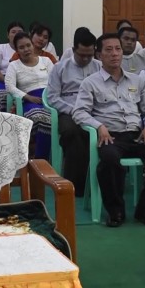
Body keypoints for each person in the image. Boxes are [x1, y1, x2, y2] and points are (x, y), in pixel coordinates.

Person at [73, 33, 145, 227]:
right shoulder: (90, 83)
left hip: (137, 135)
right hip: (110, 136)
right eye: (108, 50)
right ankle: (115, 211)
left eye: (118, 49)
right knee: (109, 161)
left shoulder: (137, 80)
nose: (115, 54)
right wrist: (98, 126)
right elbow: (79, 112)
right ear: (99, 55)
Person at [47, 28, 102, 196]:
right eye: (81, 55)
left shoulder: (100, 67)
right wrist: (75, 110)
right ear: (73, 49)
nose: (85, 59)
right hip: (69, 111)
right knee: (73, 133)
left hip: (95, 111)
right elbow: (52, 98)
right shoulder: (60, 68)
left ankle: (100, 179)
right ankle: (75, 185)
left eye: (89, 55)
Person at [5, 32, 54, 159]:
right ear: (17, 51)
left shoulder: (46, 61)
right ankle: (40, 159)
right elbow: (9, 86)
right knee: (41, 117)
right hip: (29, 101)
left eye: (28, 45)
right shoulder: (14, 65)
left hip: (50, 100)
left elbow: (56, 81)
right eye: (21, 47)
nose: (26, 49)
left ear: (32, 45)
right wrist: (27, 97)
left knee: (59, 117)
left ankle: (43, 156)